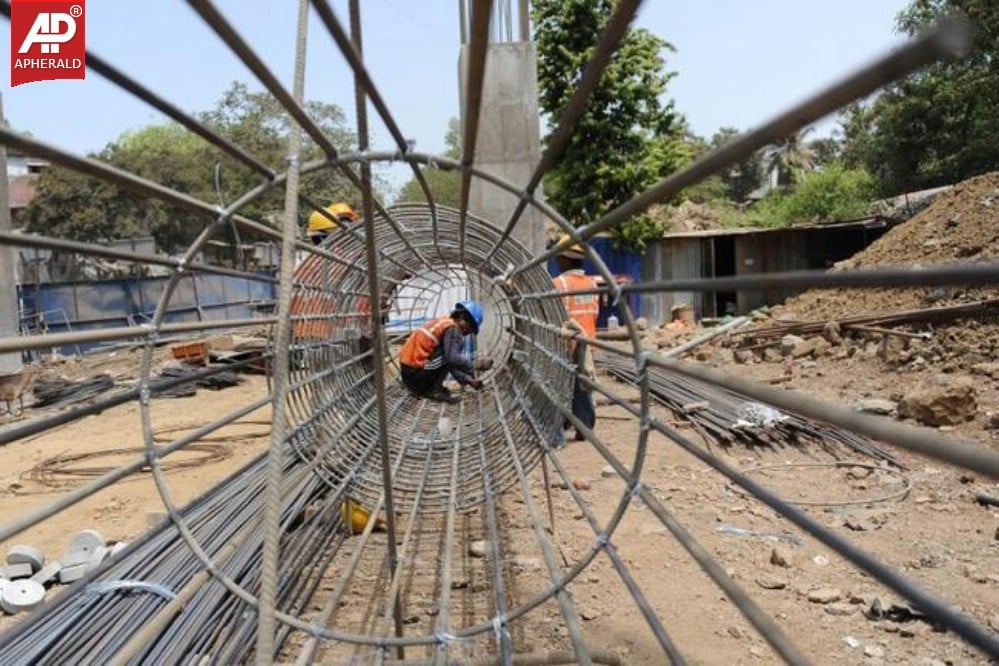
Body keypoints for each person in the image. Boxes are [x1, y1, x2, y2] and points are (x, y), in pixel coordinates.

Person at [399, 300, 492, 402]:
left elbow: (449, 360)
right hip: (415, 376)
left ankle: (432, 388)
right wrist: (477, 365)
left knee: (450, 354)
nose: (467, 332)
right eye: (470, 327)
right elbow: (450, 359)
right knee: (450, 355)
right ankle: (433, 391)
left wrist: (468, 379)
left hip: (410, 374)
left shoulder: (444, 322)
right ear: (461, 317)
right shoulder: (452, 329)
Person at [552, 236, 599, 441]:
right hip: (587, 342)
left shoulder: (558, 283)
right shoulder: (592, 284)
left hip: (565, 343)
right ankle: (584, 428)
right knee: (582, 387)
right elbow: (594, 313)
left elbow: (552, 315)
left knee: (560, 386)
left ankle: (559, 429)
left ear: (564, 259)